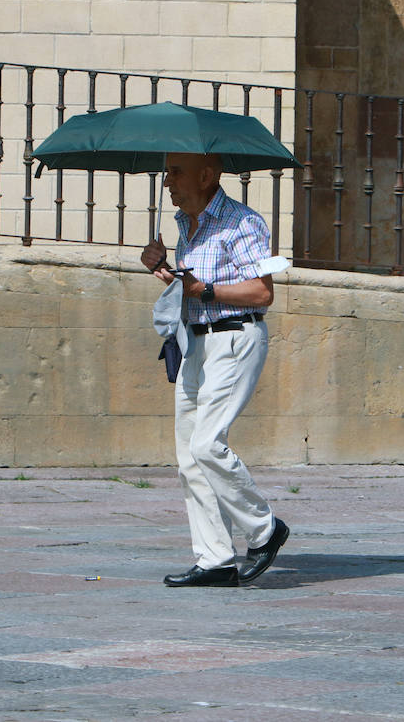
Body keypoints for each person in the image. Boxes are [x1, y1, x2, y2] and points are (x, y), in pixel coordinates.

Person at [140, 153, 289, 587]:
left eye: (176, 171)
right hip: (196, 342)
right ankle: (215, 559)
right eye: (167, 172)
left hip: (234, 338)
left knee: (207, 444)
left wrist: (199, 288)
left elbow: (262, 293)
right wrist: (162, 271)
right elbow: (192, 288)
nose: (168, 181)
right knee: (188, 456)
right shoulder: (186, 224)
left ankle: (264, 528)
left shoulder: (242, 222)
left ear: (207, 175)